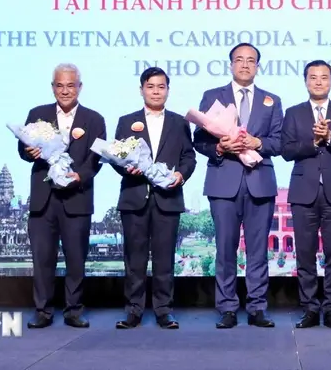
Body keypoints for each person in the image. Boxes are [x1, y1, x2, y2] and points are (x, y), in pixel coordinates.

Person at [193, 43, 283, 328]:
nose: (245, 65)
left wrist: (258, 143)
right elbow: (199, 140)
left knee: (258, 250)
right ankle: (227, 307)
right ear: (230, 64)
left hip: (260, 182)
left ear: (257, 66)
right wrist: (220, 147)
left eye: (251, 60)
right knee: (225, 248)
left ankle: (257, 307)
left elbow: (280, 142)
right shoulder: (212, 96)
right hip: (223, 182)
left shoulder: (272, 100)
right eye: (239, 60)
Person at [18, 63, 106, 329]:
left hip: (76, 198)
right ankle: (43, 311)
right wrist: (28, 151)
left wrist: (81, 175)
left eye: (70, 85)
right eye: (60, 85)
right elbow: (22, 149)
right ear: (53, 87)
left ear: (80, 87)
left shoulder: (94, 119)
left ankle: (74, 310)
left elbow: (97, 159)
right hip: (43, 199)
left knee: (76, 260)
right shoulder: (37, 114)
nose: (65, 91)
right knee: (42, 259)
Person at [113, 67, 196, 330]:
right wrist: (126, 168)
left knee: (164, 259)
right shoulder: (126, 121)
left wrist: (181, 175)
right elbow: (116, 156)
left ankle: (164, 311)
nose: (156, 91)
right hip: (134, 197)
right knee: (134, 259)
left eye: (161, 87)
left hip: (167, 198)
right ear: (141, 90)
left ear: (168, 90)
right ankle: (133, 310)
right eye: (151, 86)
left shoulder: (179, 122)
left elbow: (189, 157)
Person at [282, 60, 331, 329]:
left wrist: (329, 138)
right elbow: (286, 151)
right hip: (302, 192)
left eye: (324, 77)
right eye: (313, 77)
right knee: (304, 253)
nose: (318, 82)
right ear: (306, 81)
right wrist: (313, 143)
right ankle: (309, 308)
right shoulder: (293, 113)